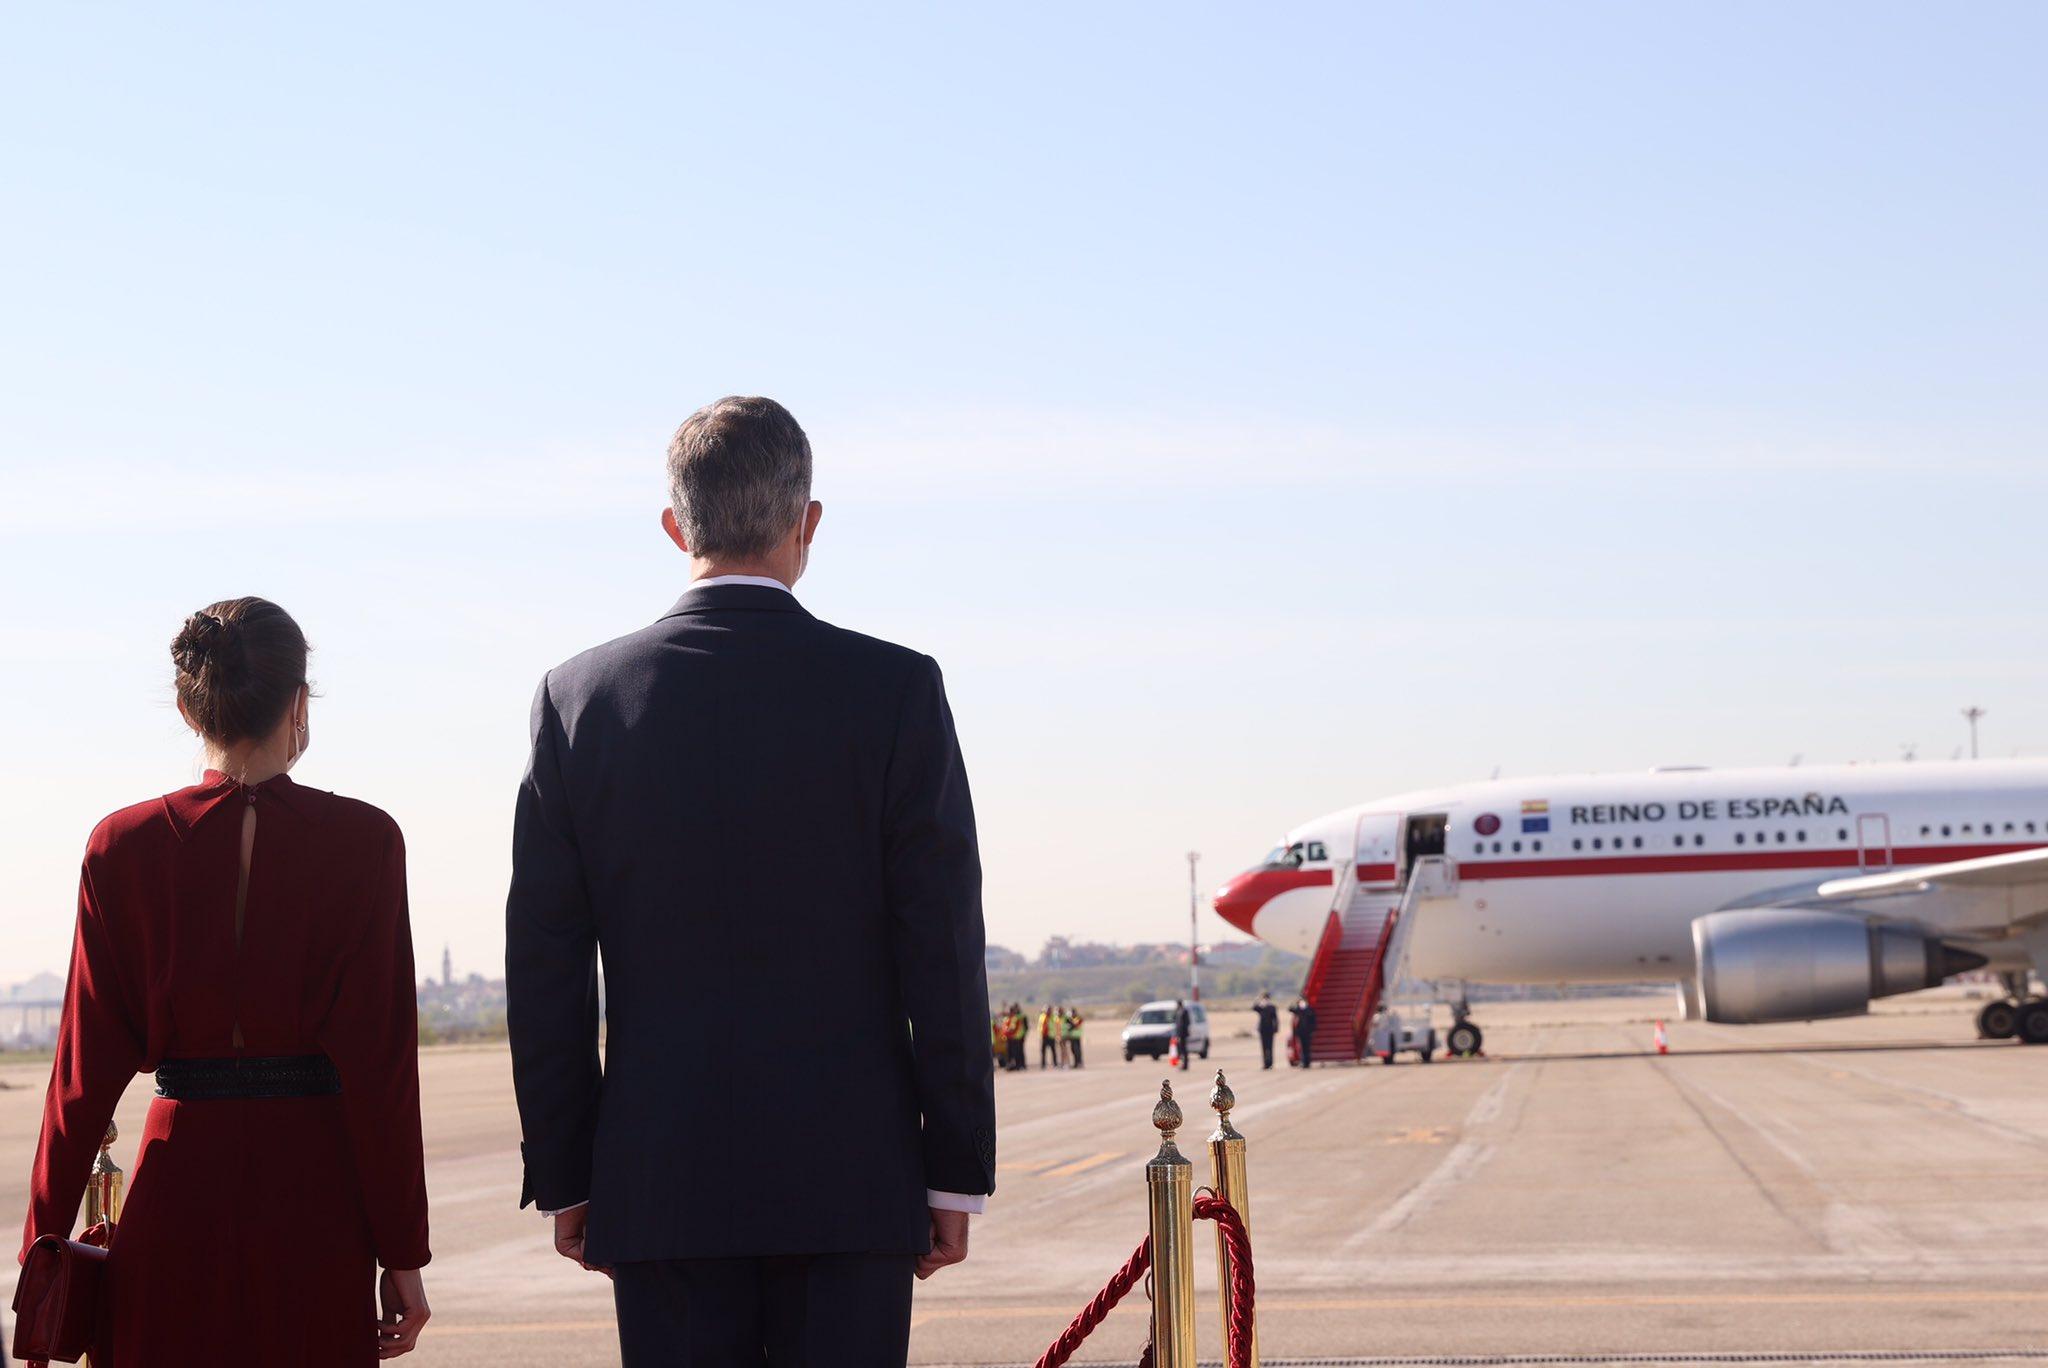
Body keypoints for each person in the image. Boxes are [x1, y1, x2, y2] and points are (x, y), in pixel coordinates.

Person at [507, 397, 995, 1366]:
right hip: (850, 1175)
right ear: (806, 522)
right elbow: (938, 946)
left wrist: (568, 1171)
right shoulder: (895, 690)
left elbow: (546, 967)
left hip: (660, 1178)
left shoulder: (576, 701)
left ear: (673, 526)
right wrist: (952, 1173)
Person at [19, 598, 432, 1367]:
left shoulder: (120, 846)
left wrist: (41, 1249)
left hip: (175, 1193)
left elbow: (80, 1075)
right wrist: (403, 1253)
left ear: (186, 706)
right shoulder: (367, 844)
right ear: (300, 701)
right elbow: (382, 1074)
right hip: (315, 1206)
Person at [1253, 991, 1281, 1069]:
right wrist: (1258, 1001)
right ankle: (1265, 1063)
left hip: (1270, 1029)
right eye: (1264, 998)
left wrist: (1276, 1028)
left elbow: (1275, 1018)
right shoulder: (1261, 1007)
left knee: (1270, 1047)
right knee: (1264, 1047)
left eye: (1266, 998)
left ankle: (1270, 1063)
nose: (1265, 1000)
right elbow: (1254, 1008)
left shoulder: (1272, 1007)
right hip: (1262, 1029)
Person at [1295, 996, 1320, 1068]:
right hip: (1301, 1032)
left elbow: (1313, 1021)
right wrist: (1297, 1004)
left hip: (1308, 1032)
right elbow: (1290, 1009)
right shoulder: (1299, 1010)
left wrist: (1313, 1030)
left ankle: (1307, 1062)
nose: (1301, 1003)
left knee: (1307, 1048)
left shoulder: (1309, 1010)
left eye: (1302, 1002)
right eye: (1300, 1002)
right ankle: (1303, 1062)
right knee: (1302, 1048)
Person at [1174, 999, 1193, 1071]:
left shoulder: (1184, 1011)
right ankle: (1182, 1064)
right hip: (1179, 1034)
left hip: (1183, 1034)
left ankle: (1185, 1065)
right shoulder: (1178, 1012)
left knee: (1183, 1050)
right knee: (1180, 1050)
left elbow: (1186, 1023)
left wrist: (1181, 1034)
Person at [1038, 1003, 1058, 1069]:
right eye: (1047, 1009)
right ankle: (1043, 1065)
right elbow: (1040, 1026)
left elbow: (1056, 1026)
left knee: (1053, 1051)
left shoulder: (1053, 1017)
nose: (1048, 1011)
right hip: (1044, 1036)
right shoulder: (1042, 1017)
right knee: (1043, 1051)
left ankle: (1055, 1064)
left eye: (1049, 1009)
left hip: (1051, 1036)